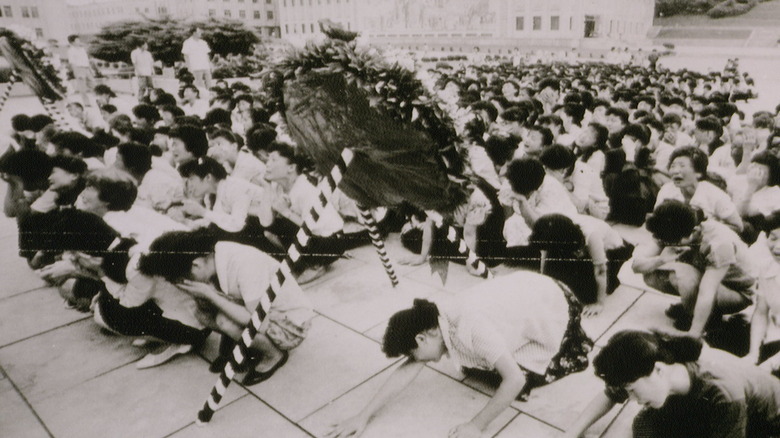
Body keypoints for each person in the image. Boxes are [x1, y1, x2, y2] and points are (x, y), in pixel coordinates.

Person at [327, 271, 592, 438]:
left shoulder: (472, 328)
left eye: (413, 352)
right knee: (479, 367)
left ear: (422, 337)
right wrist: (363, 415)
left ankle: (575, 343)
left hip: (556, 298)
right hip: (528, 286)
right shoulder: (437, 316)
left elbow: (515, 381)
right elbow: (410, 366)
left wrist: (476, 426)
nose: (416, 360)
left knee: (520, 377)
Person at [138, 229, 315, 385]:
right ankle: (247, 347)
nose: (182, 284)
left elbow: (259, 322)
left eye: (182, 280)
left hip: (289, 323)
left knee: (225, 322)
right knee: (201, 312)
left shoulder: (244, 263)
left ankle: (273, 355)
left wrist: (210, 294)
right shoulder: (213, 254)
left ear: (196, 265)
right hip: (258, 308)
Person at [566, 330, 780, 438]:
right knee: (643, 426)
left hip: (763, 423)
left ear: (659, 370)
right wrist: (571, 433)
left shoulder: (724, 395)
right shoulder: (662, 359)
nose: (632, 400)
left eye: (632, 391)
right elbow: (611, 394)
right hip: (710, 407)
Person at [634, 200, 754, 336]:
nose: (670, 244)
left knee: (680, 273)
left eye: (675, 241)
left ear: (695, 231)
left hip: (737, 292)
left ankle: (708, 321)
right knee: (653, 273)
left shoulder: (719, 243)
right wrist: (660, 259)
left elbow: (707, 291)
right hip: (708, 279)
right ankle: (692, 308)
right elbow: (636, 266)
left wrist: (693, 334)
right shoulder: (672, 226)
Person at [66, 34, 93, 107]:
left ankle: (100, 100)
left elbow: (87, 60)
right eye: (77, 40)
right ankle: (87, 103)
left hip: (86, 68)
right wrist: (77, 73)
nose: (79, 41)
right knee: (83, 88)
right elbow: (72, 63)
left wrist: (90, 70)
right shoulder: (71, 51)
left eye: (78, 40)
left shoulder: (82, 49)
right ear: (72, 42)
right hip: (79, 69)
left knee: (93, 85)